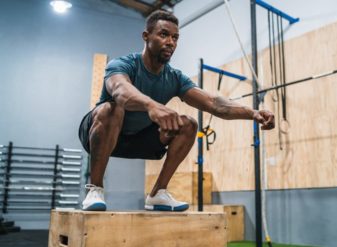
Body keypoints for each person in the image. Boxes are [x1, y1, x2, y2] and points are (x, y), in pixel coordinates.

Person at [78, 10, 275, 212]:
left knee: (188, 125)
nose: (171, 42)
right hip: (100, 134)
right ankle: (95, 189)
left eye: (175, 37)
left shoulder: (174, 77)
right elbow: (120, 91)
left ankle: (157, 194)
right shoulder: (123, 64)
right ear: (146, 37)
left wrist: (252, 113)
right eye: (164, 34)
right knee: (111, 109)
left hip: (137, 139)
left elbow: (214, 103)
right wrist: (152, 105)